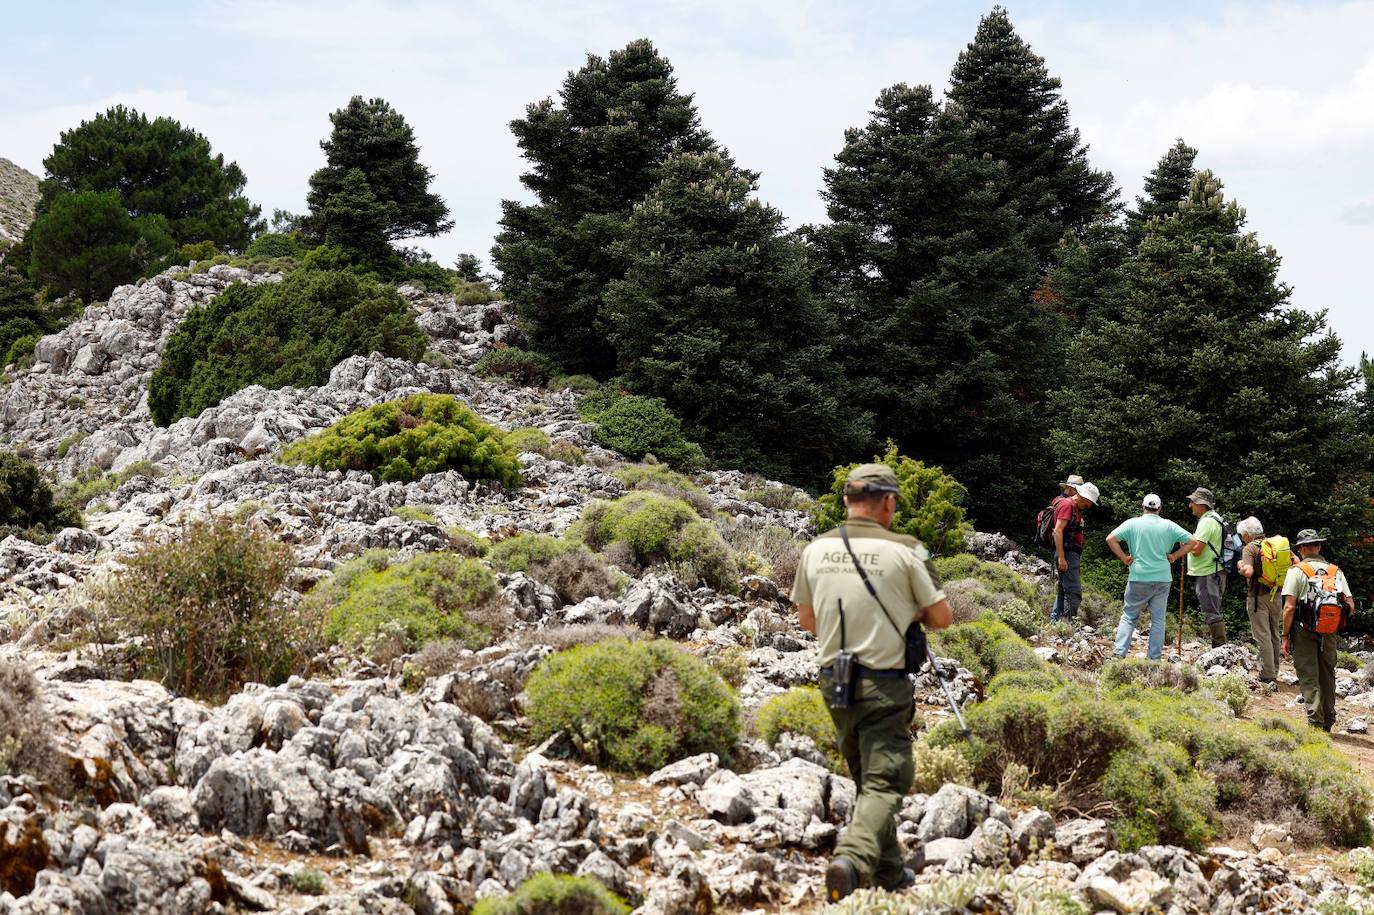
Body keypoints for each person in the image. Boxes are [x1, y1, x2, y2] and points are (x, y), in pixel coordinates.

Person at [792, 464, 954, 902]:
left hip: (834, 683)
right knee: (888, 780)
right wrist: (910, 612)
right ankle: (853, 859)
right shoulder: (908, 550)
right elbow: (941, 617)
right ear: (888, 502)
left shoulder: (815, 549)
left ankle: (890, 872)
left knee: (869, 781)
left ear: (846, 500)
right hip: (884, 683)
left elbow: (807, 621)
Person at [1281, 529, 1355, 731]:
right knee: (1327, 674)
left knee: (1308, 674)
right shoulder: (1335, 571)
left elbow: (1289, 607)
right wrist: (1332, 622)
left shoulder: (1297, 571)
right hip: (1329, 630)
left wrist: (1285, 636)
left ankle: (1315, 721)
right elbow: (1350, 605)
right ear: (1319, 547)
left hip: (1303, 629)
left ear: (1302, 549)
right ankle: (1329, 719)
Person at [1105, 493, 1193, 660]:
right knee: (1158, 619)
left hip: (1138, 575)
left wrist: (1124, 558)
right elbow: (1192, 542)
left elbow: (1110, 539)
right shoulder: (1169, 526)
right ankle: (1153, 658)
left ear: (1142, 507)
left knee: (1129, 616)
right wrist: (1175, 556)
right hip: (1162, 578)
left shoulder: (1133, 524)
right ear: (1159, 508)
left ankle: (1119, 653)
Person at [1236, 517, 1283, 687]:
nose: (1242, 538)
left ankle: (1267, 675)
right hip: (1277, 595)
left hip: (1258, 597)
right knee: (1274, 634)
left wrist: (1241, 565)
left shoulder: (1250, 548)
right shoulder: (1274, 545)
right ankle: (1275, 670)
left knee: (1262, 635)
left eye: (1242, 535)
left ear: (1247, 534)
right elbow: (1295, 563)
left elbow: (1248, 572)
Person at [1050, 481, 1099, 623]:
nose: (1089, 505)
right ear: (1083, 496)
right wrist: (1062, 558)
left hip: (1070, 554)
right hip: (1066, 553)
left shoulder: (1073, 507)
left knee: (1063, 590)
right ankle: (1066, 624)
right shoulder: (1067, 505)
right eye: (1089, 502)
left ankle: (1055, 622)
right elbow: (1057, 531)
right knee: (1074, 593)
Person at [1184, 487, 1229, 647]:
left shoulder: (1207, 522)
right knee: (1213, 609)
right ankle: (1219, 647)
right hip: (1215, 570)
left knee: (1211, 611)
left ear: (1202, 504)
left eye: (1193, 502)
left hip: (1207, 572)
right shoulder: (1215, 518)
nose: (1190, 505)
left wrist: (1185, 543)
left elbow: (1196, 550)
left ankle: (1220, 649)